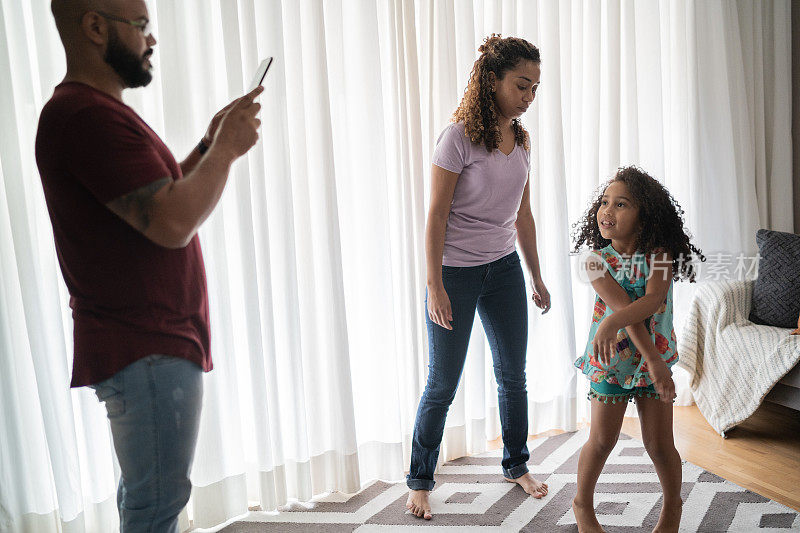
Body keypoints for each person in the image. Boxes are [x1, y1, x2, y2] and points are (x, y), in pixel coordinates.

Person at [35, 0, 262, 530]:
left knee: (148, 498)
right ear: (94, 26)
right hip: (146, 342)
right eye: (141, 26)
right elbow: (170, 221)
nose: (151, 40)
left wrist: (208, 144)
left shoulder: (94, 113)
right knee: (156, 505)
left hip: (146, 343)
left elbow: (155, 199)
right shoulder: (86, 116)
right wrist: (225, 151)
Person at [406, 34, 551, 520]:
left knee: (514, 374)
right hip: (456, 273)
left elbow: (523, 216)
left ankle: (516, 463)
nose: (528, 97)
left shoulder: (523, 140)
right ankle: (420, 479)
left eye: (534, 88)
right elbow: (435, 217)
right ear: (492, 80)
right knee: (442, 382)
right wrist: (435, 285)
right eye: (520, 85)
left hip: (504, 269)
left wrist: (536, 275)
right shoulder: (458, 137)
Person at [570, 166, 705, 533]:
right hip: (612, 362)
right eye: (604, 202)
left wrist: (652, 361)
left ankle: (672, 507)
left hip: (652, 363)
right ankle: (582, 503)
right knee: (601, 441)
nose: (607, 211)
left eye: (621, 204)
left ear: (644, 217)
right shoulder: (595, 261)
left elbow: (652, 300)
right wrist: (653, 359)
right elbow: (625, 313)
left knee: (660, 445)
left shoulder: (658, 255)